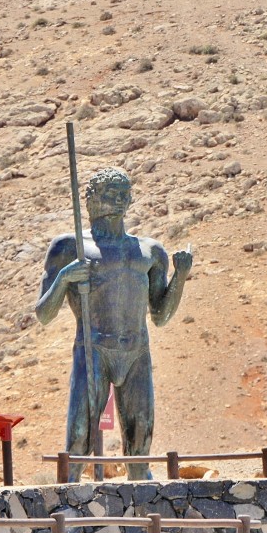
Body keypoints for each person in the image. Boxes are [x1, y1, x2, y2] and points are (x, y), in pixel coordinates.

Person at [35, 167, 192, 481]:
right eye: (110, 192)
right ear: (92, 199)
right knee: (80, 434)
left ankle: (144, 506)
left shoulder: (150, 250)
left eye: (123, 192)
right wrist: (65, 277)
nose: (119, 198)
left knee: (141, 436)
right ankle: (68, 502)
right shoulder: (70, 248)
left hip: (136, 351)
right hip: (93, 349)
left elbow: (160, 315)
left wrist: (180, 277)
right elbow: (43, 313)